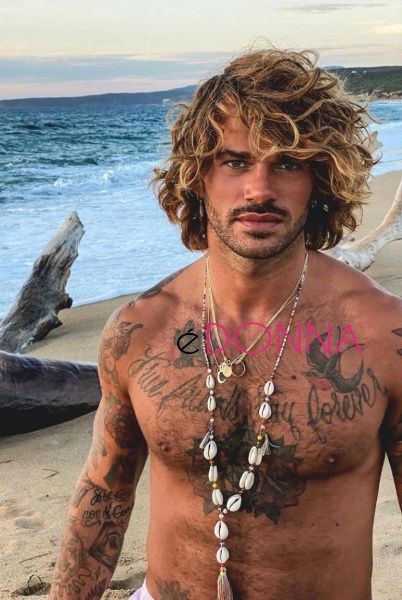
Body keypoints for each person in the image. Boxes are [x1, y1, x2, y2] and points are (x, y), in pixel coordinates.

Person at [49, 46, 402, 600]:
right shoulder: (141, 329)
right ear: (198, 177)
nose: (259, 189)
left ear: (321, 179)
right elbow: (104, 494)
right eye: (235, 162)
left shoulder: (382, 337)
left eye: (287, 163)